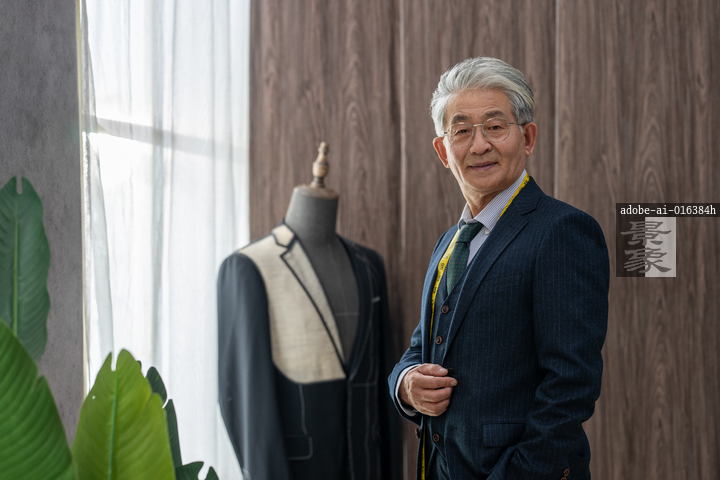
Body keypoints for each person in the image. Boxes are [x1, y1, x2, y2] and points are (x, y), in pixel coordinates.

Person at [388, 57, 609, 480]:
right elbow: (422, 347)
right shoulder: (448, 243)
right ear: (443, 151)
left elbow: (571, 384)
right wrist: (405, 383)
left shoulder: (563, 231)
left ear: (527, 138)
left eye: (494, 126)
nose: (479, 145)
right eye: (461, 131)